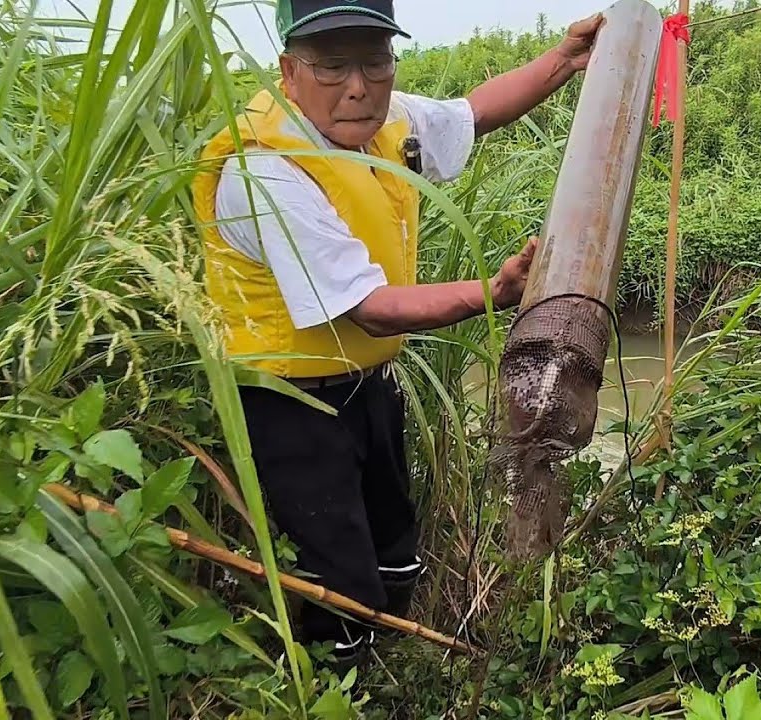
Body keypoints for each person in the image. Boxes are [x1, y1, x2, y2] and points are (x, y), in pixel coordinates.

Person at [192, 0, 603, 666]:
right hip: (289, 403)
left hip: (370, 385)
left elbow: (473, 113)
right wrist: (493, 294)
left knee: (395, 552)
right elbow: (368, 307)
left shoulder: (385, 121)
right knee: (339, 582)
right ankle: (335, 688)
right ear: (288, 70)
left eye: (374, 60)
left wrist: (565, 59)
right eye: (332, 65)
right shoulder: (263, 169)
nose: (358, 85)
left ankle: (391, 671)